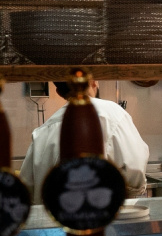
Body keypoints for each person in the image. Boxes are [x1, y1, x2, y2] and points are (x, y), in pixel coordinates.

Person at [20, 80, 149, 204]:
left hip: (53, 217)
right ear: (93, 81)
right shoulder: (114, 115)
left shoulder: (41, 134)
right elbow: (135, 169)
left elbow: (27, 192)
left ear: (59, 92)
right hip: (107, 214)